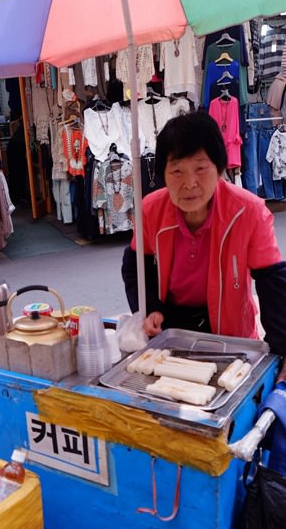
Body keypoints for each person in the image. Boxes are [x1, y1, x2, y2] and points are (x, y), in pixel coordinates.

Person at [121, 111, 286, 382]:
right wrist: (151, 308)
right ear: (162, 173)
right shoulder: (151, 209)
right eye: (176, 171)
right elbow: (135, 267)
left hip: (231, 336)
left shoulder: (249, 211)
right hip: (171, 329)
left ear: (220, 167)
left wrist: (282, 350)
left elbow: (273, 282)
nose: (189, 184)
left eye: (200, 168)